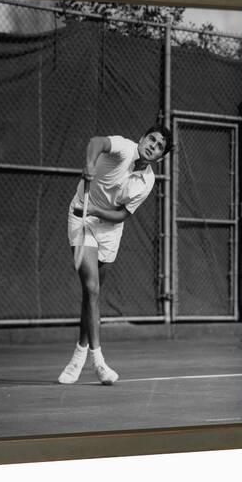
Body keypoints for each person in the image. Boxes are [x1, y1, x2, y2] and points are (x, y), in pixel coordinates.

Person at [58, 127, 173, 386]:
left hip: (110, 228)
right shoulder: (123, 147)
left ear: (160, 156)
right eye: (151, 140)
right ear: (142, 138)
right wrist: (89, 163)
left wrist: (97, 210)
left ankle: (78, 355)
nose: (153, 146)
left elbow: (122, 215)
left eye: (159, 147)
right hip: (81, 217)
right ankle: (98, 362)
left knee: (92, 295)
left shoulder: (148, 181)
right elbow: (96, 141)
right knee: (92, 288)